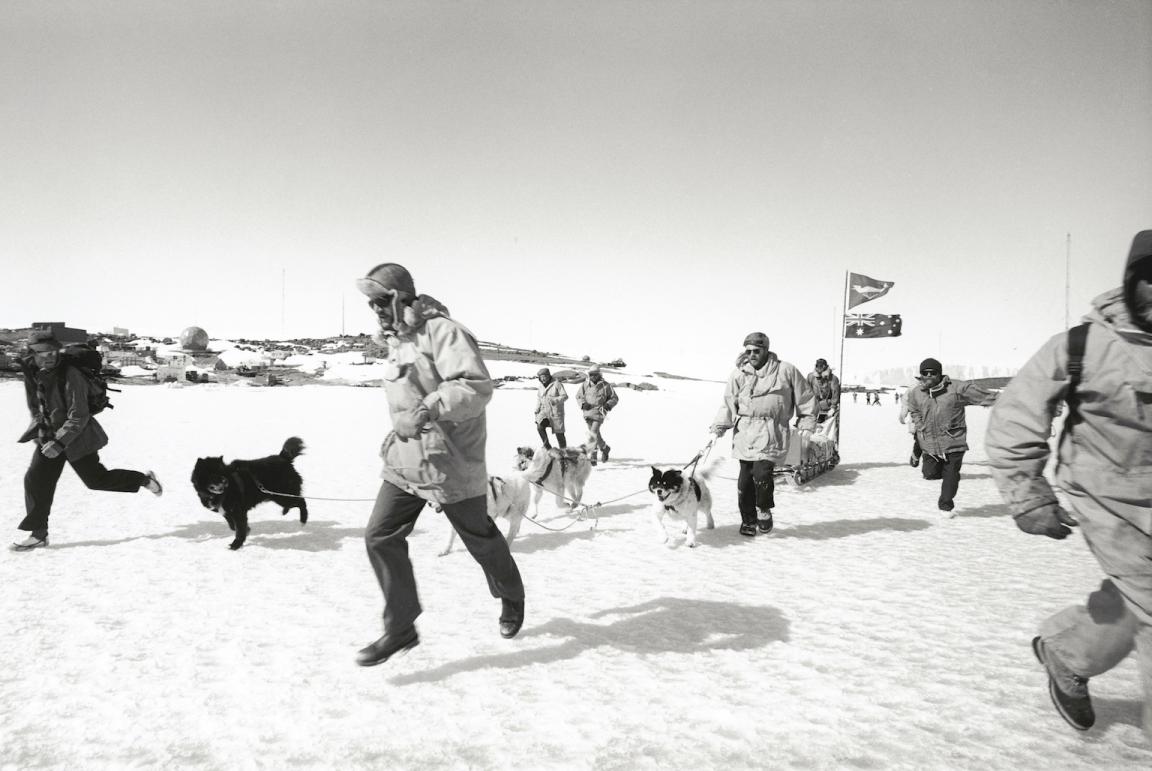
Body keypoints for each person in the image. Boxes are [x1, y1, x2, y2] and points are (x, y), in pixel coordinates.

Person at [985, 229, 1152, 737]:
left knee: (1135, 602)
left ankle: (1066, 650)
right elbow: (1016, 415)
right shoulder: (1085, 345)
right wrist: (1028, 494)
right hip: (1110, 498)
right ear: (1130, 282)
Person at [354, 262, 525, 667]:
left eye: (381, 301)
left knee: (480, 539)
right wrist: (397, 434)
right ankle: (401, 628)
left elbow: (474, 387)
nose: (376, 310)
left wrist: (428, 410)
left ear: (400, 298)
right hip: (407, 463)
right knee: (379, 536)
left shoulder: (445, 332)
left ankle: (511, 594)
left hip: (451, 463)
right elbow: (407, 397)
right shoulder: (399, 340)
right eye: (371, 304)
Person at [12, 331, 162, 551]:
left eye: (52, 351)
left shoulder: (71, 374)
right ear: (32, 353)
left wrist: (60, 442)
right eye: (42, 353)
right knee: (36, 481)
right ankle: (39, 535)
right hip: (49, 437)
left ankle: (144, 480)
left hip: (78, 438)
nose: (49, 357)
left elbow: (78, 415)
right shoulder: (33, 371)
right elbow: (36, 405)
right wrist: (42, 430)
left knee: (96, 480)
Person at [710, 332, 816, 537]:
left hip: (772, 431)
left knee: (762, 474)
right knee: (744, 482)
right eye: (748, 351)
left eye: (756, 351)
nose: (751, 355)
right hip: (745, 432)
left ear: (766, 350)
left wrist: (807, 421)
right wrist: (719, 428)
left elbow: (805, 397)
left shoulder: (786, 370)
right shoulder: (738, 374)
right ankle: (748, 520)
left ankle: (763, 509)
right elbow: (728, 404)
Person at [903, 357, 996, 515]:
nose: (929, 375)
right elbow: (914, 409)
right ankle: (919, 453)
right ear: (921, 374)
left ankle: (946, 506)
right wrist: (920, 425)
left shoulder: (957, 388)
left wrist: (1012, 401)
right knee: (930, 474)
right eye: (925, 373)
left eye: (933, 372)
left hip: (953, 440)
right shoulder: (916, 392)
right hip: (930, 442)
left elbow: (985, 396)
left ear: (940, 374)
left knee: (951, 474)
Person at [576, 364, 618, 465]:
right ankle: (605, 448)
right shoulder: (585, 385)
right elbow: (578, 396)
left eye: (595, 374)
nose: (593, 376)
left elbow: (614, 398)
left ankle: (593, 455)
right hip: (587, 413)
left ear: (599, 374)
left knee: (593, 433)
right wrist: (583, 404)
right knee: (595, 434)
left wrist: (608, 405)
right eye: (591, 374)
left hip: (599, 412)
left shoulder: (605, 385)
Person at [533, 367, 568, 449]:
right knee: (540, 427)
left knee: (559, 435)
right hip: (544, 413)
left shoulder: (557, 384)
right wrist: (537, 409)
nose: (543, 378)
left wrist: (555, 400)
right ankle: (547, 447)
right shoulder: (541, 386)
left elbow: (565, 396)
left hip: (556, 413)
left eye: (545, 376)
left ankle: (564, 452)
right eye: (541, 377)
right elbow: (539, 398)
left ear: (549, 376)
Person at [806, 358, 840, 424]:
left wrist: (833, 407)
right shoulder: (811, 377)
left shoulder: (833, 378)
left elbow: (835, 394)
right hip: (814, 406)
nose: (819, 368)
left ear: (825, 366)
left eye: (821, 366)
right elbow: (807, 392)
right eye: (817, 366)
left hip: (828, 406)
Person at [897, 382, 922, 468]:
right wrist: (903, 415)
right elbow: (906, 403)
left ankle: (932, 463)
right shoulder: (913, 389)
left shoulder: (937, 386)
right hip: (918, 419)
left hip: (934, 419)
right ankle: (915, 456)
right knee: (920, 440)